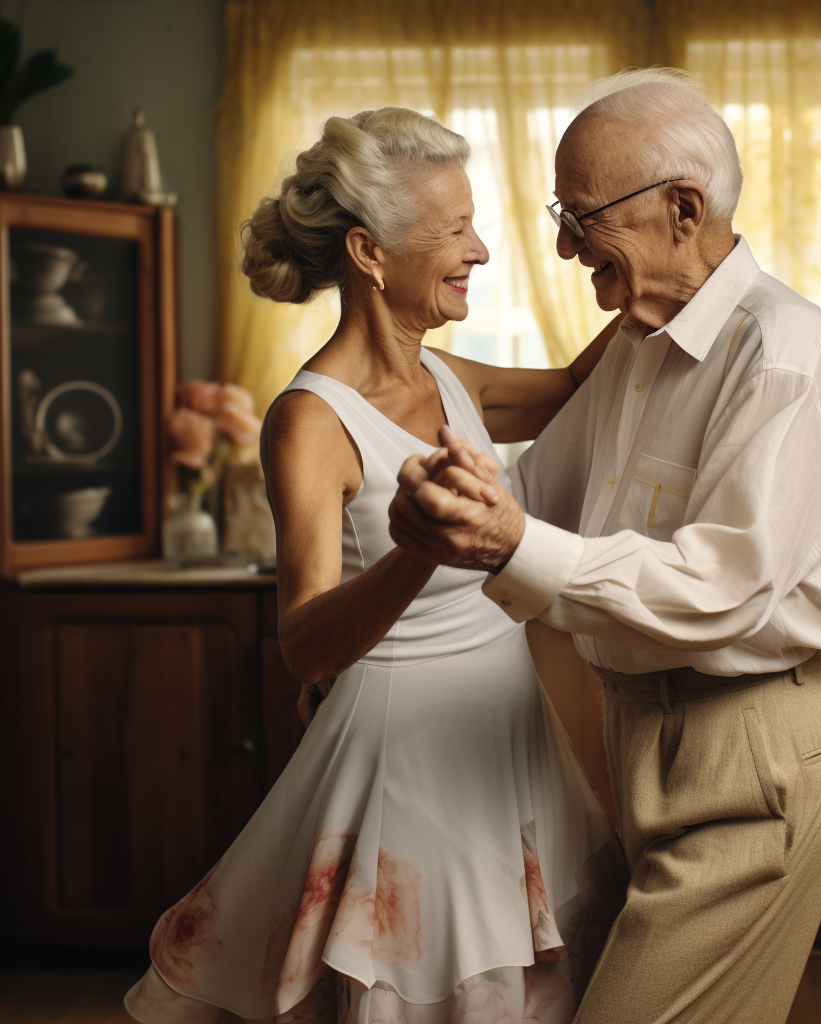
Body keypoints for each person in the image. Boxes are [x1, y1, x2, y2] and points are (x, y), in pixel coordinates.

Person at [388, 68, 821, 1024]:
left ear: (684, 208)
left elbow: (722, 587)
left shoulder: (780, 348)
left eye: (582, 216)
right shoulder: (635, 343)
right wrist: (439, 529)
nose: (565, 247)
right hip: (645, 735)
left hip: (754, 746)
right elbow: (536, 503)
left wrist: (506, 536)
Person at [124, 107, 627, 1024]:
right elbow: (306, 646)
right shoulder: (310, 420)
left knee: (534, 988)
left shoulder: (450, 380)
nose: (480, 249)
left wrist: (658, 279)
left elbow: (574, 388)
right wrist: (416, 550)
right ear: (368, 251)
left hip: (506, 727)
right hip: (409, 754)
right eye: (455, 230)